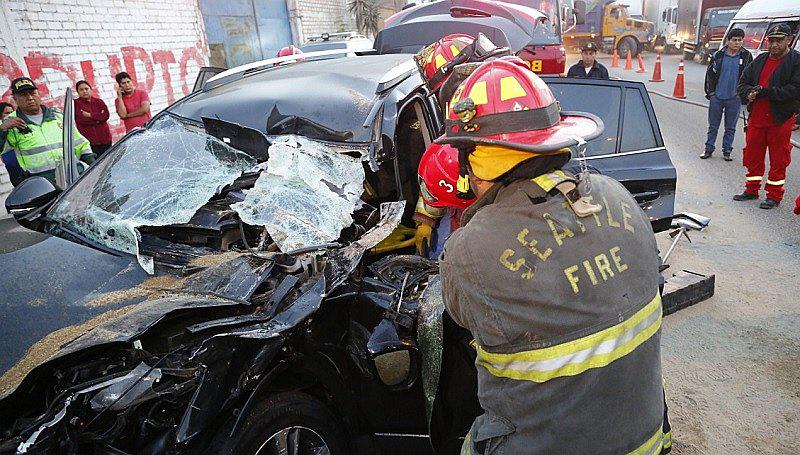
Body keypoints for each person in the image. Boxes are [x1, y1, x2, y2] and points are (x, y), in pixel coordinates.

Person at [437, 58, 669, 454]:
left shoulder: (471, 251)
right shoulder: (617, 195)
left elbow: (464, 319)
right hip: (647, 438)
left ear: (474, 161)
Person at [735, 23, 800, 209]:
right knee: (753, 156)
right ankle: (751, 189)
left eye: (779, 41)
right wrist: (749, 93)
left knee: (779, 159)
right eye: (771, 41)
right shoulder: (760, 60)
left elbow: (795, 90)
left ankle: (774, 195)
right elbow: (743, 83)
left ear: (789, 40)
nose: (774, 45)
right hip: (757, 118)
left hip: (780, 119)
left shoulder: (796, 61)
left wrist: (767, 92)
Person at [0, 77, 94, 186]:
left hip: (73, 175)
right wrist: (3, 129)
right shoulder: (9, 122)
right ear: (15, 99)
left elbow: (79, 143)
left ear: (38, 94)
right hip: (42, 185)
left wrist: (92, 162)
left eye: (33, 93)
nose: (30, 98)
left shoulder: (57, 115)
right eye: (23, 95)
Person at [701, 28, 752, 161]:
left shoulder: (746, 56)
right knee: (713, 126)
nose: (737, 43)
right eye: (734, 40)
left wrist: (744, 95)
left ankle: (727, 150)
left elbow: (750, 77)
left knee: (730, 127)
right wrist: (711, 93)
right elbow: (710, 75)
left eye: (740, 40)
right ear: (728, 41)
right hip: (717, 97)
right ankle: (708, 149)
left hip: (734, 98)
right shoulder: (718, 55)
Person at [74, 80, 113, 157]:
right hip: (90, 142)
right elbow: (81, 119)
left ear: (90, 89)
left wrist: (90, 115)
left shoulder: (99, 102)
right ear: (78, 92)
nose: (84, 91)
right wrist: (99, 118)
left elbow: (106, 116)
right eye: (81, 90)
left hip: (105, 140)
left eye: (86, 88)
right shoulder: (75, 104)